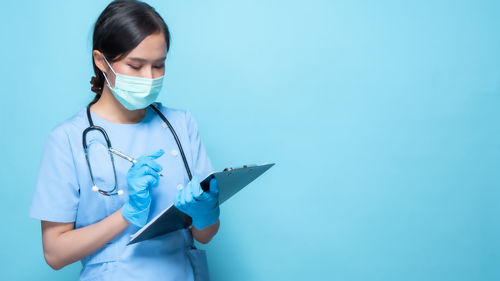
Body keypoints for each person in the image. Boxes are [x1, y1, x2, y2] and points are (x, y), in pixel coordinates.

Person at [28, 1, 220, 280]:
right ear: (101, 60)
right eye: (136, 65)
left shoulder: (181, 124)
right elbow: (55, 254)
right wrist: (127, 213)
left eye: (158, 65)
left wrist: (206, 213)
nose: (149, 77)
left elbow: (205, 235)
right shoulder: (67, 139)